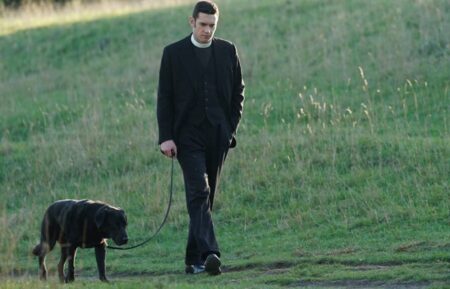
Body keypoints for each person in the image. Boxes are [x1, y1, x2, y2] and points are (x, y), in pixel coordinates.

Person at [156, 0, 245, 276]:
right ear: (192, 22)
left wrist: (230, 129)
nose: (208, 30)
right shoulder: (173, 54)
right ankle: (211, 253)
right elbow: (165, 98)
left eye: (212, 26)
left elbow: (238, 93)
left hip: (218, 134)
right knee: (199, 191)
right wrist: (166, 137)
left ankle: (192, 260)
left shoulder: (228, 50)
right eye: (203, 24)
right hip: (186, 136)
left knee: (206, 197)